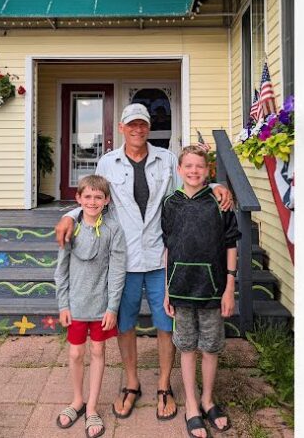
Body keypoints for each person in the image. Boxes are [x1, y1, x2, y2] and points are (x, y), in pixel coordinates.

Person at [55, 103, 233, 421]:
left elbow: (188, 187)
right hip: (122, 259)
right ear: (121, 128)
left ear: (148, 128)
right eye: (131, 125)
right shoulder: (108, 161)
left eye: (143, 125)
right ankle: (132, 383)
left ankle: (164, 385)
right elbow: (95, 198)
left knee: (166, 323)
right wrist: (70, 215)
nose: (137, 129)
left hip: (159, 255)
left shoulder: (166, 159)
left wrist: (217, 185)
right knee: (125, 324)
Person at [162, 146, 239, 437]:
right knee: (186, 347)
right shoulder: (170, 203)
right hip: (181, 288)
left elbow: (231, 244)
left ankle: (207, 399)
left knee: (210, 346)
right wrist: (167, 290)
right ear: (179, 170)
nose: (194, 171)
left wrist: (229, 287)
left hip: (213, 288)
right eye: (189, 166)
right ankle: (191, 404)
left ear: (208, 171)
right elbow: (168, 248)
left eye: (200, 166)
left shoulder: (219, 203)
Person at [54, 175, 126, 438]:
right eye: (88, 196)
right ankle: (77, 401)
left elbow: (117, 271)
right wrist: (63, 304)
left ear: (106, 200)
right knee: (75, 354)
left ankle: (92, 407)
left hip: (101, 307)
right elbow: (61, 271)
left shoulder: (113, 230)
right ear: (78, 199)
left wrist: (113, 307)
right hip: (75, 305)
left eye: (98, 197)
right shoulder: (70, 228)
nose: (93, 201)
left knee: (98, 351)